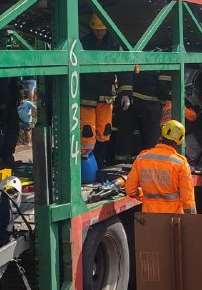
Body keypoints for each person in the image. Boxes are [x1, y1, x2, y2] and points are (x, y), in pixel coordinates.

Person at [125, 120, 196, 214]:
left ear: (162, 134)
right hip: (172, 220)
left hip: (149, 217)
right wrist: (193, 221)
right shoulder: (180, 163)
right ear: (179, 142)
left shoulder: (142, 158)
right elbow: (188, 199)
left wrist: (144, 195)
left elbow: (130, 190)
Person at [79, 13, 118, 179]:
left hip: (105, 96)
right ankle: (85, 167)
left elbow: (123, 68)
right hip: (87, 96)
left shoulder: (113, 44)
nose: (100, 33)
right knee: (86, 134)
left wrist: (125, 92)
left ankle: (100, 165)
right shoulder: (84, 43)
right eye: (97, 30)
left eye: (102, 30)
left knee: (105, 132)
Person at [115, 70, 171, 164]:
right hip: (151, 105)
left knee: (126, 136)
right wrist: (162, 102)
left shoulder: (134, 56)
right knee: (151, 140)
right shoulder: (160, 56)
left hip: (129, 101)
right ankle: (149, 164)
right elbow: (164, 85)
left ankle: (121, 164)